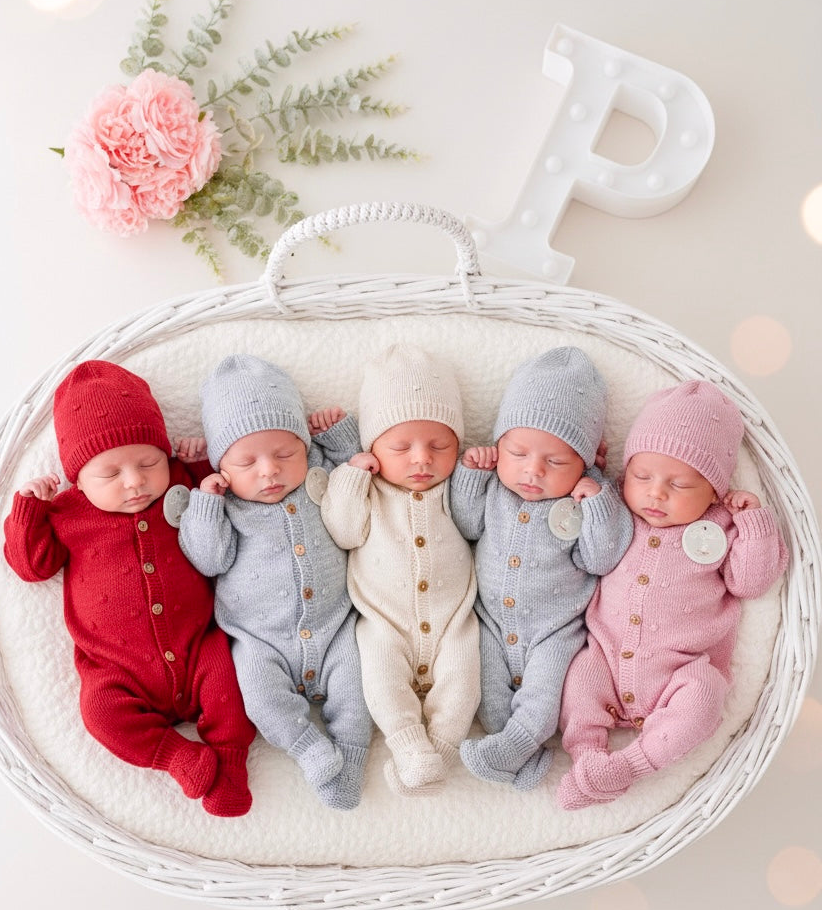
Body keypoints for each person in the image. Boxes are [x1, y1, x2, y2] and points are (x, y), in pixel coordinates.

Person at [2, 360, 256, 817]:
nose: (135, 481)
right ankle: (179, 757)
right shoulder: (67, 514)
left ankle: (231, 768)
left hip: (198, 647)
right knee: (100, 714)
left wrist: (199, 464)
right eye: (111, 475)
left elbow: (224, 500)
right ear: (78, 479)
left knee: (234, 683)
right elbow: (30, 567)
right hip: (118, 671)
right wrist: (28, 511)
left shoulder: (179, 482)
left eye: (148, 462)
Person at [557, 379, 789, 809]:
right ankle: (589, 757)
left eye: (680, 485)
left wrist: (754, 520)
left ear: (715, 491)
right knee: (576, 676)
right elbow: (586, 542)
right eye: (642, 476)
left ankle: (630, 765)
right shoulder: (618, 511)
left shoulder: (719, 529)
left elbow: (752, 582)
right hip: (605, 657)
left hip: (680, 671)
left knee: (705, 697)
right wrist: (591, 489)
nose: (656, 492)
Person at [178, 354, 372, 810]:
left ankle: (351, 757)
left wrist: (337, 434)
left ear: (304, 449)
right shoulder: (222, 506)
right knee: (260, 698)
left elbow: (357, 473)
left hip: (335, 626)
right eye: (248, 462)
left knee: (358, 688)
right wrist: (204, 504)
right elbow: (207, 560)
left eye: (285, 454)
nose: (269, 470)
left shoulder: (317, 475)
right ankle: (308, 749)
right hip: (259, 638)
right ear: (222, 467)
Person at [450, 347, 633, 789]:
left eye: (555, 462)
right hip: (490, 620)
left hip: (557, 629)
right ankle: (513, 750)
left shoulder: (586, 501)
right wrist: (472, 476)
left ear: (585, 463)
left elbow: (602, 558)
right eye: (518, 453)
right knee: (488, 691)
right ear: (499, 447)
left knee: (544, 693)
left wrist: (599, 505)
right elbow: (465, 525)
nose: (533, 471)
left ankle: (521, 740)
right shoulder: (494, 489)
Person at [320, 343, 480, 796]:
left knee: (464, 680)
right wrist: (352, 474)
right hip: (384, 622)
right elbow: (344, 532)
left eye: (439, 445)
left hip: (453, 619)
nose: (421, 459)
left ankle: (441, 750)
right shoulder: (368, 490)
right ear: (373, 447)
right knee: (381, 678)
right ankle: (408, 746)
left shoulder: (452, 489)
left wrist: (474, 473)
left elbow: (475, 526)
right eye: (400, 446)